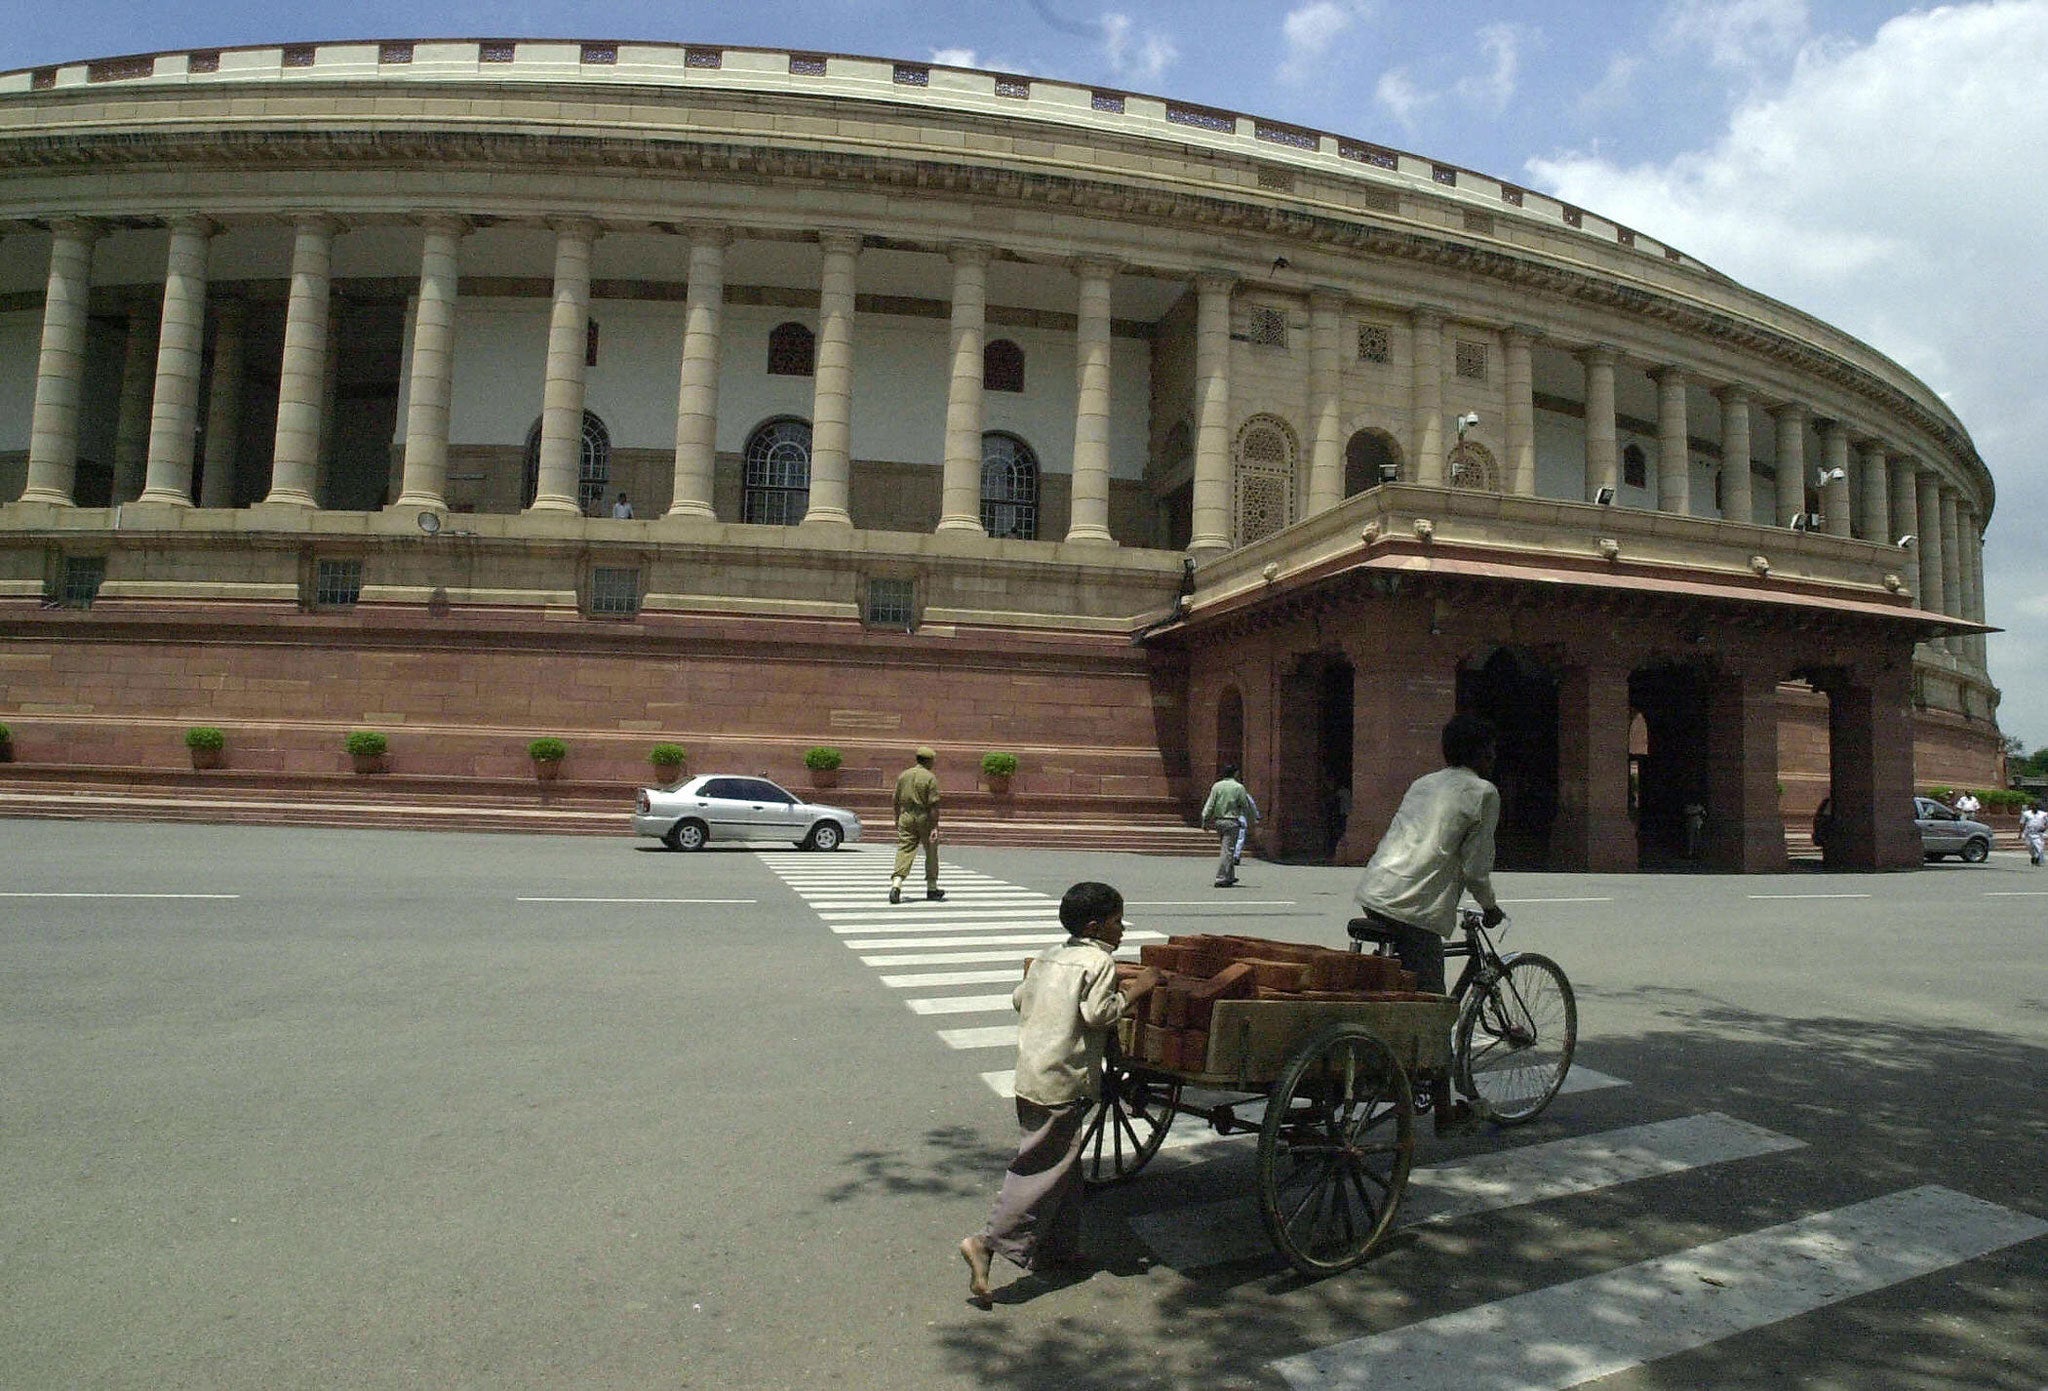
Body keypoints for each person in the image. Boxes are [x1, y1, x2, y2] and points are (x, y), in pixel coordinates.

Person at [960, 881, 1159, 1305]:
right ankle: (986, 1243)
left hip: (1032, 1075)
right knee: (1041, 1166)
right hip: (1063, 1080)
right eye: (1117, 921)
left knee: (1064, 1162)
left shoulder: (1049, 956)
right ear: (1096, 926)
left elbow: (1020, 998)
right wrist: (1137, 989)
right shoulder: (1098, 962)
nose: (1122, 929)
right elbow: (1098, 1014)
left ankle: (1058, 1248)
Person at [1353, 713, 1504, 1131]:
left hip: (1377, 893)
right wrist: (1489, 907)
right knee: (1435, 1012)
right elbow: (1476, 870)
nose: (1493, 756)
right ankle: (1443, 1111)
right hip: (1414, 907)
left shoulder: (1424, 783)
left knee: (1405, 991)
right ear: (1479, 752)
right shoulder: (1483, 793)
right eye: (1489, 749)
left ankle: (1390, 1059)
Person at [890, 745, 944, 904]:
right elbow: (933, 805)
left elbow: (895, 799)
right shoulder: (930, 778)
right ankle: (932, 888)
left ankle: (896, 884)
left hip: (905, 816)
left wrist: (896, 818)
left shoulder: (903, 775)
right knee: (931, 851)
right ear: (928, 761)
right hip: (924, 817)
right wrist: (935, 826)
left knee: (904, 849)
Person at [1200, 763, 1256, 888]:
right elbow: (1244, 805)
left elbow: (1210, 804)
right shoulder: (1238, 787)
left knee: (1227, 848)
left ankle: (1229, 876)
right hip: (1232, 821)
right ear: (1235, 773)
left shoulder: (1217, 786)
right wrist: (1251, 819)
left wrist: (1205, 819)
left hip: (1219, 821)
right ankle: (1221, 878)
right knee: (1228, 850)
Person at [2022, 802, 2048, 867]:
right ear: (2031, 807)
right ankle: (2033, 857)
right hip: (2028, 833)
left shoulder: (2043, 814)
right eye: (2033, 806)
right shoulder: (2026, 814)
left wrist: (2044, 828)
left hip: (2038, 834)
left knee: (2039, 847)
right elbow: (2022, 823)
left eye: (2036, 806)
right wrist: (2020, 833)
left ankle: (2038, 859)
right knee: (2030, 847)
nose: (2034, 807)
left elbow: (2047, 823)